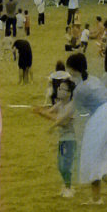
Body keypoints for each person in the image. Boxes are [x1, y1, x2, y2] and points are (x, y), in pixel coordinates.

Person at [64, 53, 107, 206]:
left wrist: (54, 121)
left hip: (100, 119)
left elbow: (70, 110)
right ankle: (96, 198)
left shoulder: (80, 88)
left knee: (95, 160)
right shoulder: (93, 79)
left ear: (73, 69)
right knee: (93, 156)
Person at [33, 65, 76, 197]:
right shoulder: (60, 104)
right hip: (62, 138)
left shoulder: (71, 105)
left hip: (70, 139)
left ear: (69, 93)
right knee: (60, 165)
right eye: (59, 88)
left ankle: (69, 188)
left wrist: (44, 117)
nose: (59, 90)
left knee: (65, 165)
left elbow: (61, 121)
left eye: (63, 89)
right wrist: (40, 110)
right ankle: (66, 185)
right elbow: (49, 111)